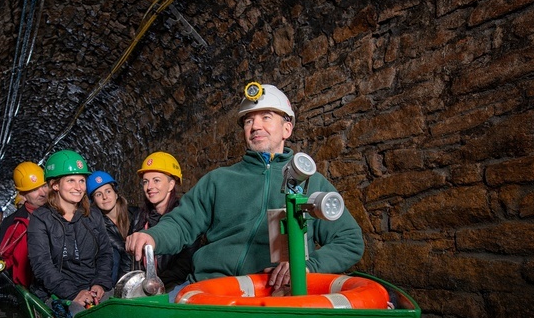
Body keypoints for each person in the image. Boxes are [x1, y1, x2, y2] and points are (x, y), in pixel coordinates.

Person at [126, 83, 364, 296]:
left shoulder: (312, 184)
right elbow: (182, 224)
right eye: (248, 120)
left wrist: (308, 266)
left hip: (273, 295)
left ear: (287, 129)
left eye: (266, 117)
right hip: (211, 289)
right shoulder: (218, 180)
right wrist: (153, 236)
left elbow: (349, 240)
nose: (255, 126)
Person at [28, 150, 113, 317]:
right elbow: (41, 264)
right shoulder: (41, 219)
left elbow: (105, 253)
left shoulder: (93, 215)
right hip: (57, 292)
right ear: (55, 185)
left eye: (82, 180)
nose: (78, 187)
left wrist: (100, 283)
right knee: (77, 315)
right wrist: (73, 294)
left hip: (92, 289)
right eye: (71, 181)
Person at [128, 151, 201, 290]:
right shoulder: (139, 217)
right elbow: (130, 260)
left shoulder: (185, 216)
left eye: (156, 180)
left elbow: (185, 265)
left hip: (175, 288)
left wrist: (155, 287)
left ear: (171, 184)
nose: (149, 187)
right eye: (145, 181)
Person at [0, 161, 50, 287]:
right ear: (23, 194)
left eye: (45, 186)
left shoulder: (61, 213)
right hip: (30, 286)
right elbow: (3, 256)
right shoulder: (12, 223)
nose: (43, 193)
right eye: (35, 189)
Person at [86, 170, 136, 284]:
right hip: (116, 278)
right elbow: (124, 250)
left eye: (108, 191)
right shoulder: (95, 224)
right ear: (93, 201)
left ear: (116, 193)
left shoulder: (135, 214)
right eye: (98, 194)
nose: (105, 197)